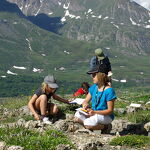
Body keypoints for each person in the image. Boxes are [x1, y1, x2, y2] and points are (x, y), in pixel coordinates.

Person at [74, 65, 116, 132]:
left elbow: (110, 111)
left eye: (94, 75)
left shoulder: (109, 91)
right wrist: (85, 105)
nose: (92, 77)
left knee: (88, 123)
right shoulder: (94, 87)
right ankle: (90, 125)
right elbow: (85, 101)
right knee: (77, 117)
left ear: (101, 76)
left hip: (105, 116)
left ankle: (106, 127)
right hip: (93, 113)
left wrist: (95, 112)